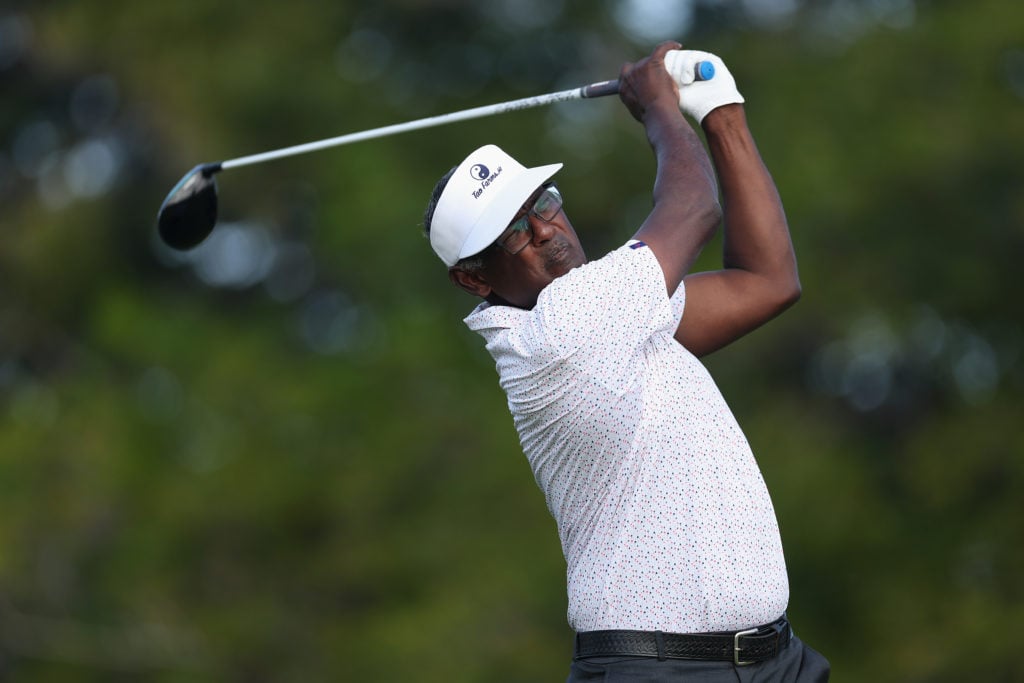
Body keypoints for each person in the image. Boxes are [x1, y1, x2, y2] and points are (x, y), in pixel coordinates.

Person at [421, 42, 830, 682]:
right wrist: (660, 109)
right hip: (659, 672)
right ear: (474, 280)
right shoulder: (564, 328)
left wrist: (723, 114)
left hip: (775, 661)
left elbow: (767, 281)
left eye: (543, 204)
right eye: (513, 234)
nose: (547, 233)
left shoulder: (616, 312)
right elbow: (694, 207)